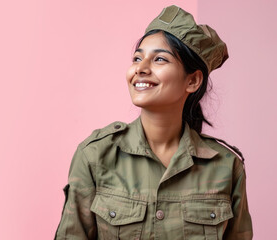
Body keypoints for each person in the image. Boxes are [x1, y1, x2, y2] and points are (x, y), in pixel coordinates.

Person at [54, 5, 253, 240]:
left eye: (159, 59)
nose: (140, 68)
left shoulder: (226, 166)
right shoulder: (95, 156)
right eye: (137, 58)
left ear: (193, 80)